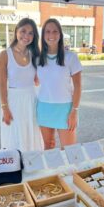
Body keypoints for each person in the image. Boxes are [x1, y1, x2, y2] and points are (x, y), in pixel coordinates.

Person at [0, 18, 43, 151]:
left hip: (31, 99)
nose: (26, 36)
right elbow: (1, 83)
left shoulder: (34, 54)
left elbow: (37, 80)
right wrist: (5, 108)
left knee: (31, 134)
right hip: (13, 101)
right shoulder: (5, 55)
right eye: (23, 31)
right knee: (14, 136)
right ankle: (15, 167)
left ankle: (32, 167)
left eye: (31, 33)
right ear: (16, 31)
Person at [37, 18, 82, 150]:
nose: (51, 35)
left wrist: (74, 111)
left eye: (55, 31)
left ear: (60, 35)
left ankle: (68, 172)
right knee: (48, 146)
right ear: (43, 35)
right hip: (44, 108)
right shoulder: (37, 58)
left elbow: (78, 87)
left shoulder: (70, 57)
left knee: (69, 150)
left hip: (65, 109)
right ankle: (54, 172)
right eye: (48, 32)